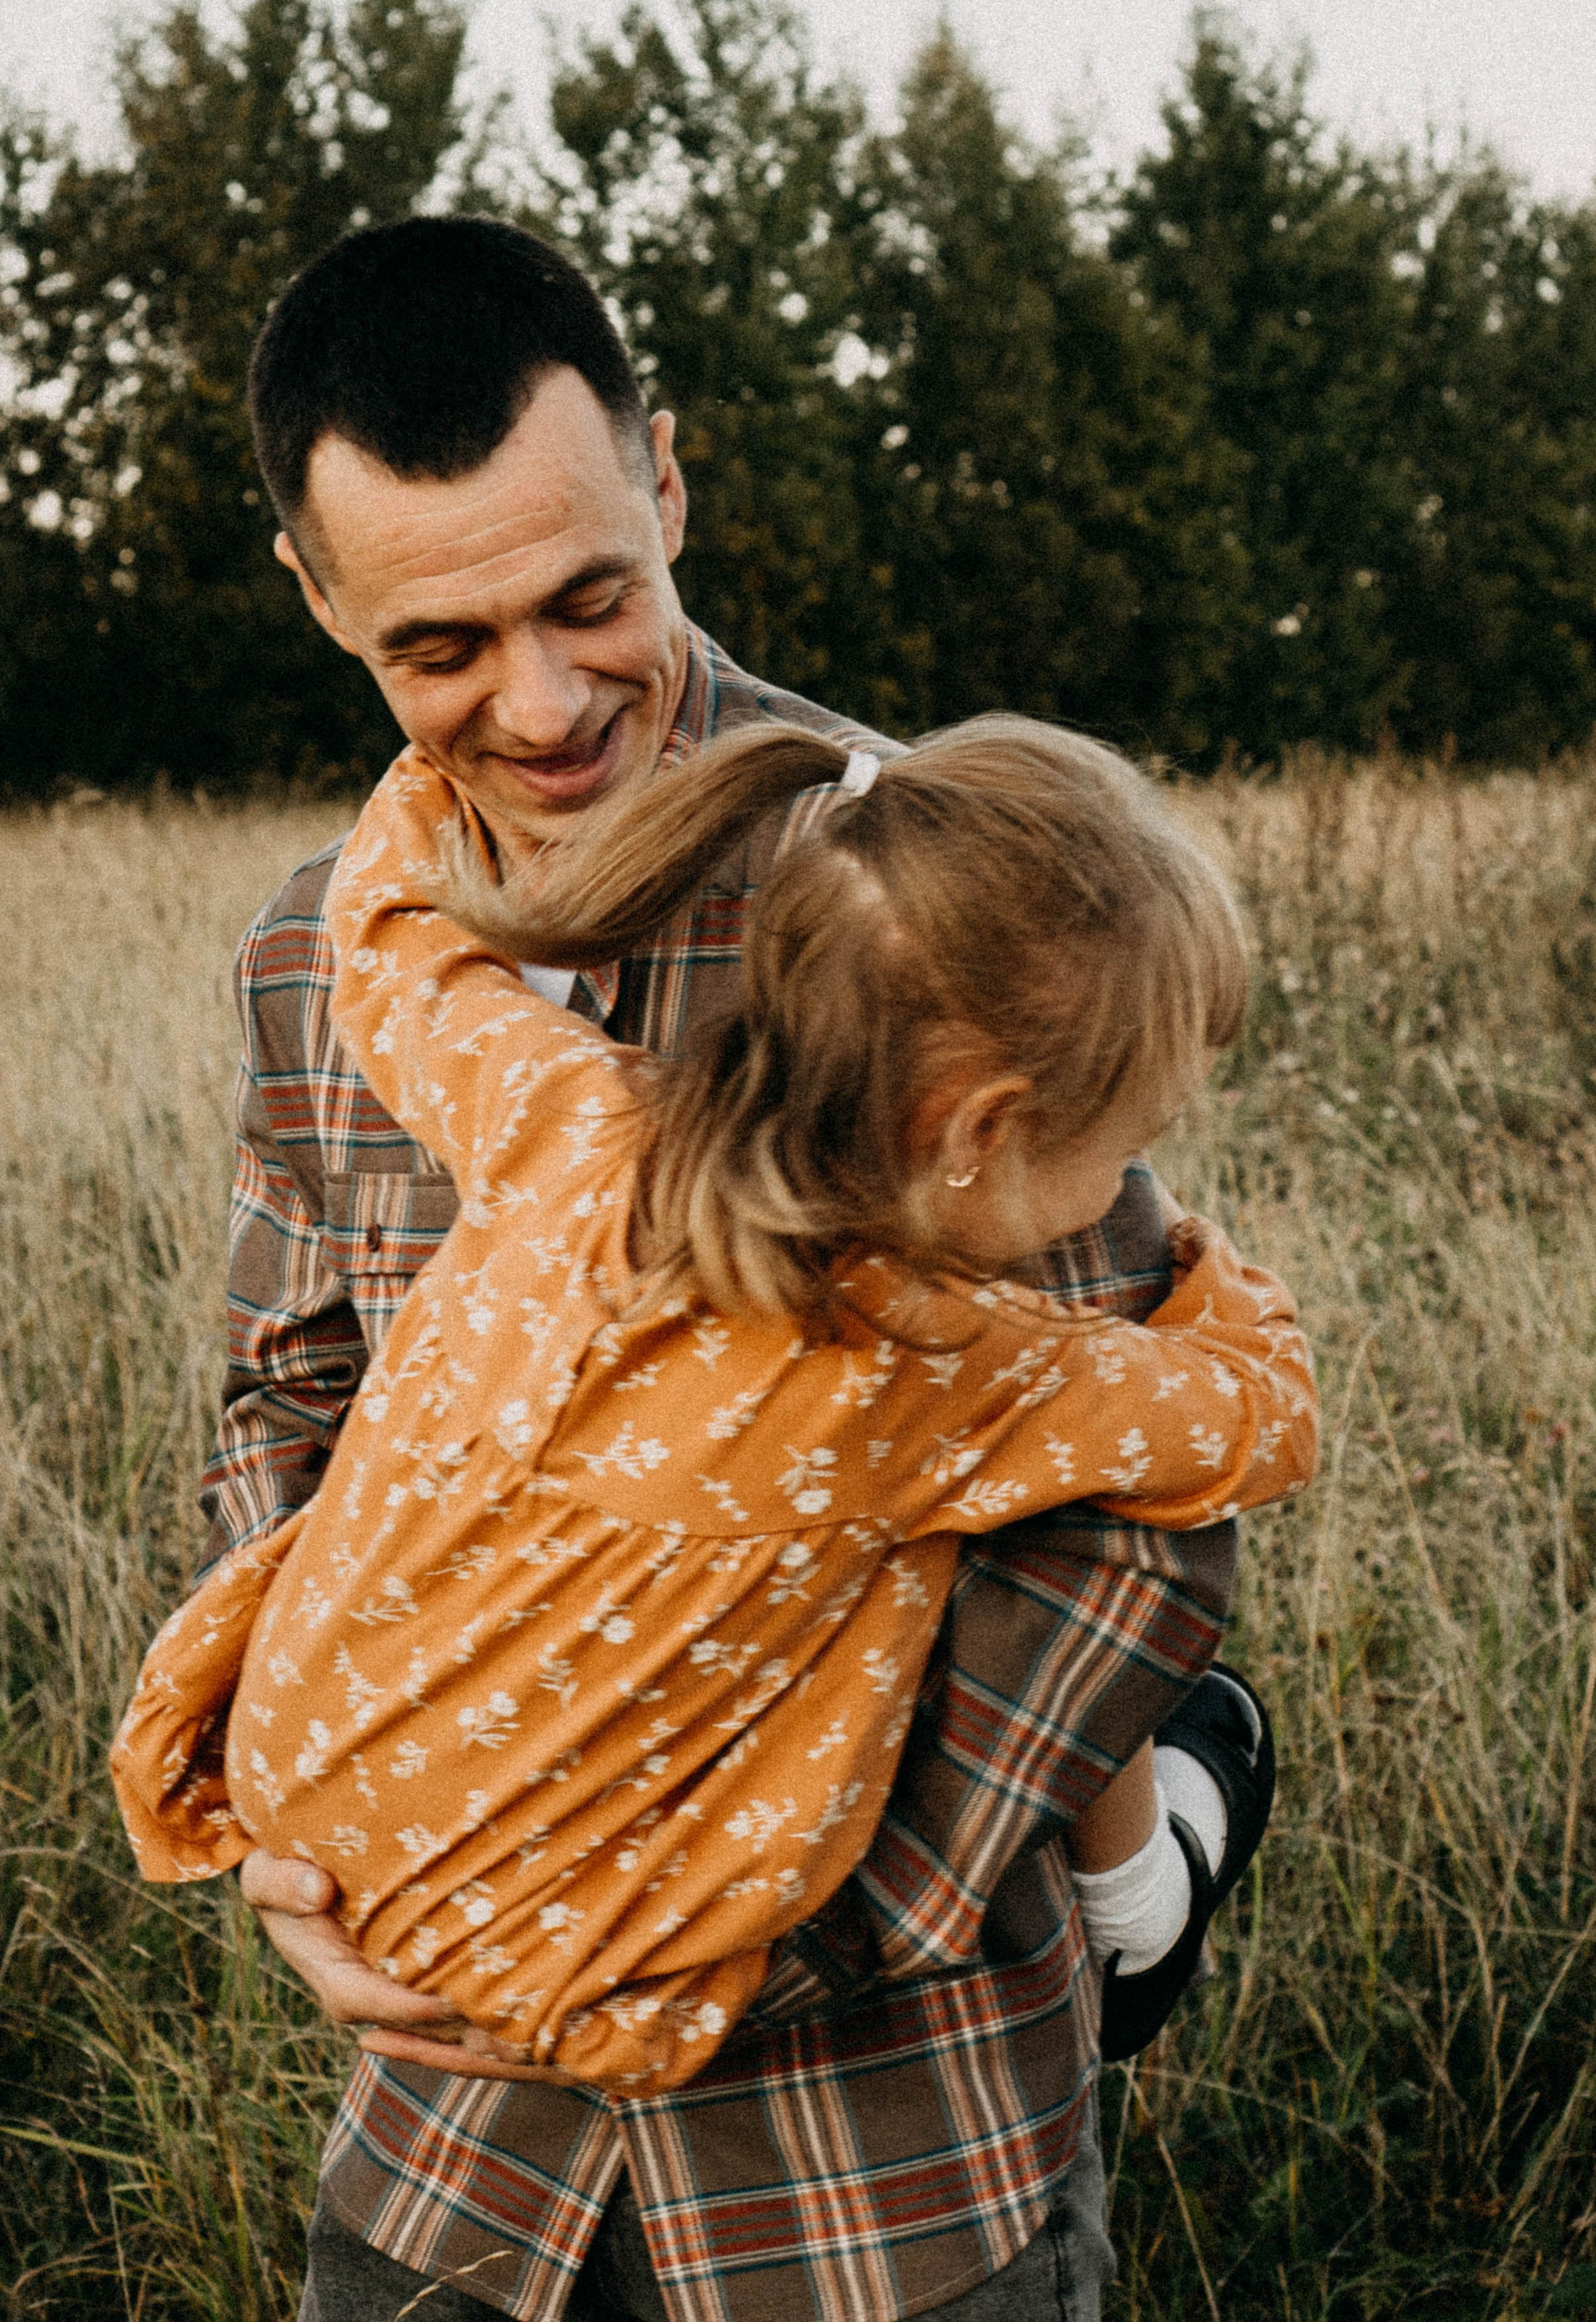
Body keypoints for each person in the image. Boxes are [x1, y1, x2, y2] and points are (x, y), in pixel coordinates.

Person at [206, 213, 1290, 2321]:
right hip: (451, 2180)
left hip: (884, 2176)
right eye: (437, 644)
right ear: (318, 599)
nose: (536, 699)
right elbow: (284, 1404)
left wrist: (763, 1932)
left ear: (670, 485)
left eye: (590, 597)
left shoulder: (942, 888)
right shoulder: (308, 956)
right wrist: (305, 1848)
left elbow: (1134, 1530)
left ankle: (1173, 1859)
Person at [114, 719, 1317, 2094]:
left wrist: (415, 787)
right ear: (977, 1133)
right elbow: (1256, 1413)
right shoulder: (932, 1370)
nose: (1121, 1188)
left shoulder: (568, 1121)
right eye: (1123, 1144)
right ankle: (1149, 1896)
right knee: (919, 1576)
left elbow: (398, 950)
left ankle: (1146, 1883)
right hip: (546, 1973)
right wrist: (1209, 1278)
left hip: (293, 1792)